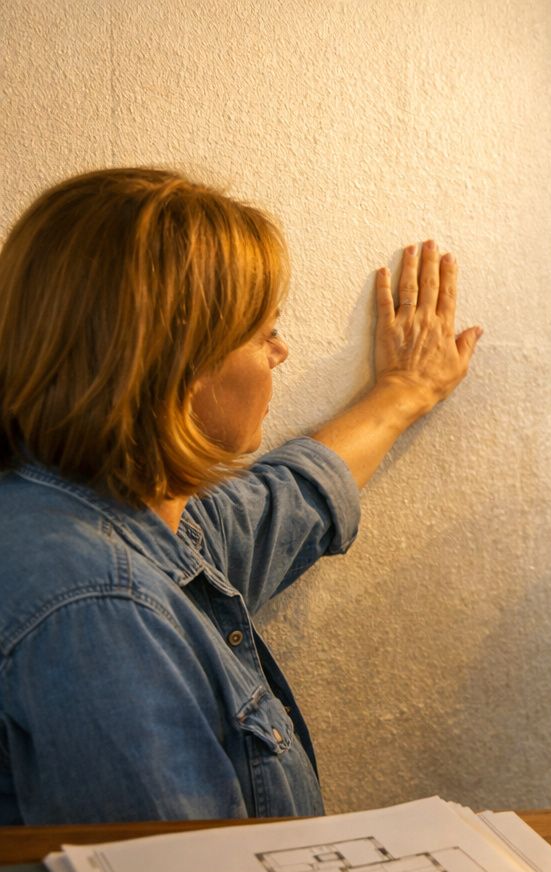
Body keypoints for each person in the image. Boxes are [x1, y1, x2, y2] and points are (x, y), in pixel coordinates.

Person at [0, 167, 481, 824]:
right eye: (263, 332)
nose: (280, 352)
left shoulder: (109, 517)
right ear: (178, 363)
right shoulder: (102, 606)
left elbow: (283, 503)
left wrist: (404, 394)